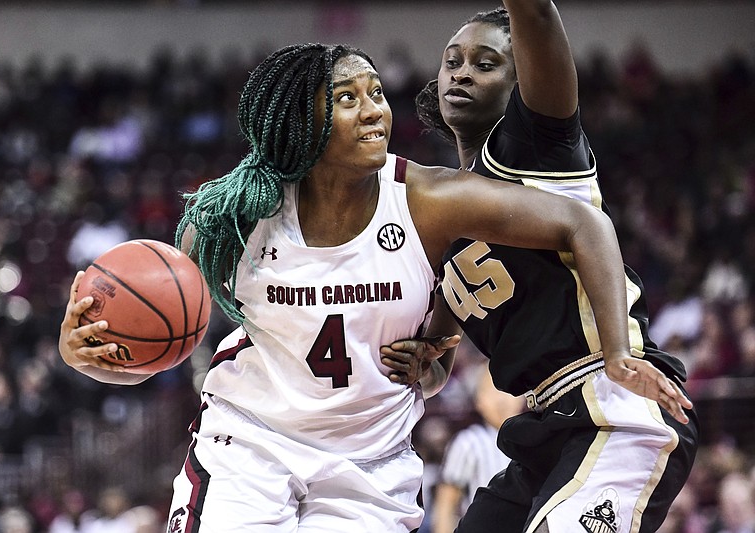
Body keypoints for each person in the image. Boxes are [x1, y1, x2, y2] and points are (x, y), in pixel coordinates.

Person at [58, 42, 685, 532]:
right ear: (301, 121)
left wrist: (616, 351)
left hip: (370, 465)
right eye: (347, 97)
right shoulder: (233, 212)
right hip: (250, 443)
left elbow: (582, 221)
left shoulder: (427, 201)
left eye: (376, 92)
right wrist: (81, 352)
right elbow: (154, 345)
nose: (374, 109)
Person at [382, 2, 699, 532]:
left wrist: (618, 352)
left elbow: (536, 14)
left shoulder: (538, 147)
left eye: (485, 63)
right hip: (546, 430)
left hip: (617, 405)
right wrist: (423, 365)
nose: (462, 71)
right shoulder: (442, 209)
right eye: (452, 61)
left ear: (522, 80)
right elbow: (437, 359)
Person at [432, 361, 523, 533]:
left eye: (510, 391)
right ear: (478, 401)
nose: (502, 400)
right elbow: (446, 504)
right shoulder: (468, 441)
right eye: (493, 391)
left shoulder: (533, 441)